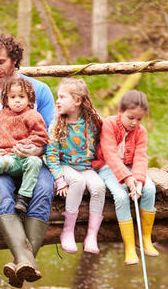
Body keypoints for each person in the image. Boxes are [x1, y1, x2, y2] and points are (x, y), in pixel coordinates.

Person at [0, 31, 55, 288]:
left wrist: (37, 152)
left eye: (1, 62)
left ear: (15, 60)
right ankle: (25, 261)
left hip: (33, 161)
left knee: (43, 188)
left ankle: (20, 262)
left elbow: (52, 133)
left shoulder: (40, 91)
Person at [93, 90, 159, 265]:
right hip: (107, 167)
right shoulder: (109, 124)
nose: (134, 123)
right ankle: (129, 246)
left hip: (131, 167)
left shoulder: (141, 131)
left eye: (139, 119)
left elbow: (141, 157)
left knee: (150, 189)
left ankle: (144, 239)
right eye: (131, 118)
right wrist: (127, 179)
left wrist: (138, 181)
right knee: (121, 196)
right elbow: (110, 154)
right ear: (120, 111)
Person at [0, 77, 48, 215]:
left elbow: (41, 136)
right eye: (13, 97)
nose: (17, 100)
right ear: (6, 100)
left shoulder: (33, 116)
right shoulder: (0, 117)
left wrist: (28, 146)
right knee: (2, 162)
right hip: (8, 157)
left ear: (29, 99)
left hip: (25, 157)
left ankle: (24, 197)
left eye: (21, 96)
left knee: (35, 163)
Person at [45, 78, 105, 254]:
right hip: (65, 166)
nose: (57, 101)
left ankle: (92, 235)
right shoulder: (56, 124)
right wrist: (59, 179)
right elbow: (52, 155)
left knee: (99, 186)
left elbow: (108, 135)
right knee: (77, 182)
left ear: (78, 101)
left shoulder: (93, 122)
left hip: (86, 167)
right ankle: (68, 231)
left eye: (63, 97)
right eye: (58, 97)